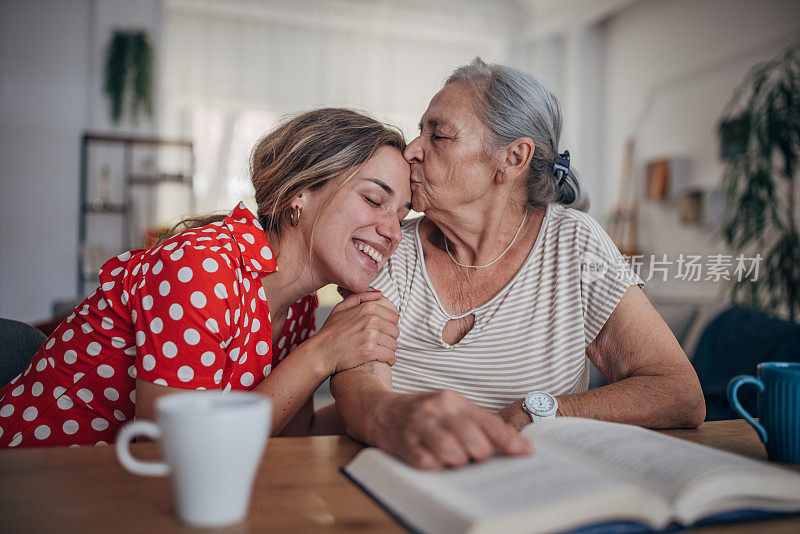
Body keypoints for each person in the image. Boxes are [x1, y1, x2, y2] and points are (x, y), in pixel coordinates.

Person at [330, 58, 706, 470]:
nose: (411, 150)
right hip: (405, 477)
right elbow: (360, 373)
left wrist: (541, 412)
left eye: (438, 135)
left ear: (512, 159)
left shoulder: (574, 244)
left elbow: (678, 392)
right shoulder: (391, 243)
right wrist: (386, 414)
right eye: (420, 131)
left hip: (531, 482)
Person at [0, 108, 411, 448]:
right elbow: (173, 451)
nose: (393, 230)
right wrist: (323, 351)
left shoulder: (299, 304)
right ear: (299, 193)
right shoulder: (199, 268)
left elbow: (291, 435)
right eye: (375, 199)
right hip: (34, 478)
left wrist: (381, 408)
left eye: (402, 215)